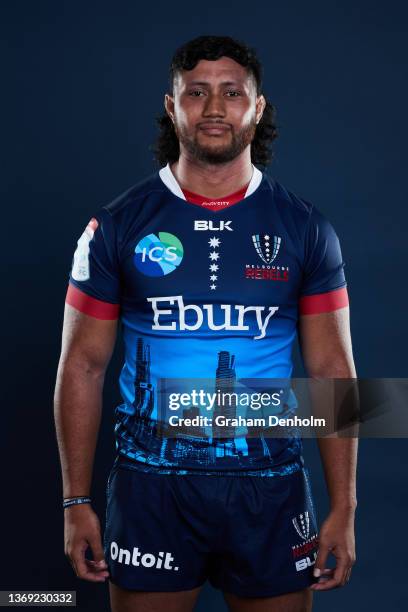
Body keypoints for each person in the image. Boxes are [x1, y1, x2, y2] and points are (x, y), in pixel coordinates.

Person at [54, 35, 357, 612]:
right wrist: (75, 500)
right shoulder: (117, 226)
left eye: (231, 92)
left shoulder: (307, 229)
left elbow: (332, 370)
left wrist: (345, 505)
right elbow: (83, 365)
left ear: (258, 108)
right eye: (196, 92)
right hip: (152, 486)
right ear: (172, 107)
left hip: (269, 484)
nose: (214, 108)